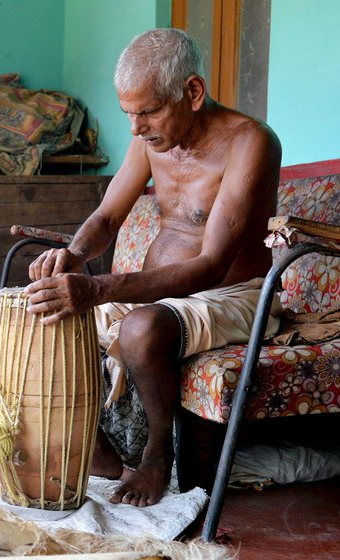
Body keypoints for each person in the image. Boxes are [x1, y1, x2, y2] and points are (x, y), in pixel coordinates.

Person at [24, 28, 282, 507]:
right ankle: (99, 451)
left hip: (233, 294)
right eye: (129, 113)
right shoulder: (151, 140)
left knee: (140, 329)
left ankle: (157, 457)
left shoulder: (250, 143)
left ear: (192, 92)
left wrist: (99, 287)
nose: (136, 128)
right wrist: (74, 256)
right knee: (35, 312)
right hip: (155, 297)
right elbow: (106, 217)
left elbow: (211, 264)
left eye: (147, 111)